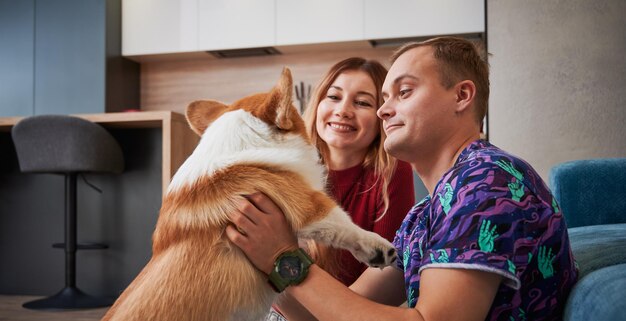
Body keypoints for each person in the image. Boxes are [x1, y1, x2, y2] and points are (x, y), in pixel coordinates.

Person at [226, 36, 578, 321]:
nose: (383, 110)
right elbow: (334, 311)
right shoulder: (425, 214)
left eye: (404, 92)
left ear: (462, 96)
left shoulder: (485, 181)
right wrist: (259, 256)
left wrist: (282, 258)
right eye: (383, 99)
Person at [302, 57, 414, 286]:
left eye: (362, 102)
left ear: (382, 116)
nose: (343, 111)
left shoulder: (392, 172)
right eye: (333, 97)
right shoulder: (289, 167)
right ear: (317, 104)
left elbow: (386, 276)